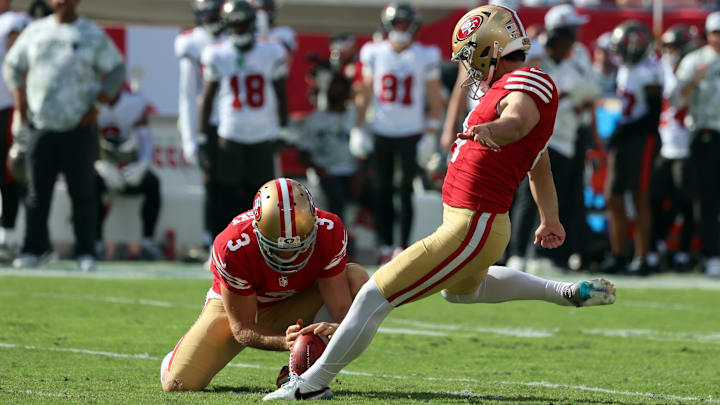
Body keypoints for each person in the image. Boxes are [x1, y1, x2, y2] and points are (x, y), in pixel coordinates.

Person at [264, 5, 616, 401]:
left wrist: (491, 129)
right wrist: (550, 219)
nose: (470, 67)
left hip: (472, 224)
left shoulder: (527, 81)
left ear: (489, 49)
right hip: (475, 224)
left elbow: (516, 122)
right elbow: (540, 166)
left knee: (373, 297)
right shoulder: (506, 89)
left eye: (470, 54)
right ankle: (562, 292)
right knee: (462, 291)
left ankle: (310, 386)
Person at [160, 177, 370, 392]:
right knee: (178, 384)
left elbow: (342, 310)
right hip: (241, 307)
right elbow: (242, 328)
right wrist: (284, 341)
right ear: (257, 230)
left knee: (357, 280)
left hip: (298, 298)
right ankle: (175, 358)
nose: (288, 255)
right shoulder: (233, 246)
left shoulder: (329, 229)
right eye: (278, 249)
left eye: (299, 246)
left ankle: (303, 372)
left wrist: (339, 328)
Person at [3, 0, 125, 271]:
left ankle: (85, 251)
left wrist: (98, 103)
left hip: (78, 126)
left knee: (83, 192)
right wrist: (19, 97)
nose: (63, 2)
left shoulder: (91, 33)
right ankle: (32, 249)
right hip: (40, 124)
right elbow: (12, 65)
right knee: (37, 193)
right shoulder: (35, 31)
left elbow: (117, 69)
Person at [351, 2, 445, 263]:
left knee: (405, 191)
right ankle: (383, 244)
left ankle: (402, 246)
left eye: (405, 24)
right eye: (397, 24)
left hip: (411, 132)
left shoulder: (425, 55)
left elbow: (435, 98)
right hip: (382, 130)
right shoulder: (374, 52)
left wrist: (430, 132)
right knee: (381, 189)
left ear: (414, 27)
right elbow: (366, 92)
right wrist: (358, 127)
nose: (401, 29)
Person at [199, 0, 289, 237]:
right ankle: (223, 244)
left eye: (242, 23)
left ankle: (262, 246)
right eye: (234, 24)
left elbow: (281, 93)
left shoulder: (270, 51)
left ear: (251, 24)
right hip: (230, 133)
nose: (238, 28)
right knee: (225, 193)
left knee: (263, 196)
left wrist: (283, 129)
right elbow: (207, 98)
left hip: (262, 133)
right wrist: (200, 135)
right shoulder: (217, 52)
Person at [600, 21, 663, 276]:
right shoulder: (626, 69)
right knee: (613, 196)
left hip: (642, 139)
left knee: (639, 196)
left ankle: (642, 256)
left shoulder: (650, 70)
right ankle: (618, 254)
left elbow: (653, 114)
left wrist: (625, 130)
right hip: (625, 138)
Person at [650, 25, 700, 272]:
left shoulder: (694, 71)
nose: (669, 52)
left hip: (686, 144)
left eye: (673, 47)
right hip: (664, 142)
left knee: (685, 201)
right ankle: (657, 243)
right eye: (667, 47)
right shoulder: (663, 70)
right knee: (656, 198)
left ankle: (682, 251)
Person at [674, 12, 720, 277]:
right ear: (708, 34)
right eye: (716, 33)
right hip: (705, 134)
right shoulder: (695, 61)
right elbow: (676, 100)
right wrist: (694, 80)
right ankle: (711, 254)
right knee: (707, 198)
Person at [175, 0, 224, 248]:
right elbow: (187, 95)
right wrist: (190, 137)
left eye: (215, 12)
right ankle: (212, 237)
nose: (212, 18)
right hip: (210, 124)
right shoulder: (191, 43)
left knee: (238, 185)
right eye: (207, 13)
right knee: (213, 184)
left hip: (234, 122)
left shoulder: (234, 38)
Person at [93, 90, 163, 261]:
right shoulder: (90, 103)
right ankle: (94, 242)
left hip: (130, 163)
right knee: (90, 184)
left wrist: (142, 165)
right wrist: (98, 164)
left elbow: (146, 139)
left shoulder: (134, 104)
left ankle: (147, 241)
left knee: (153, 183)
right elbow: (84, 139)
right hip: (104, 163)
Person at [0, 1, 30, 261]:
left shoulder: (13, 21)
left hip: (7, 106)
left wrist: (22, 105)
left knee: (9, 172)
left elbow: (20, 63)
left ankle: (8, 235)